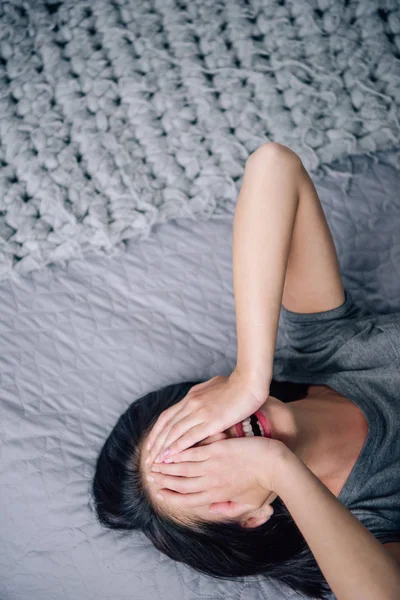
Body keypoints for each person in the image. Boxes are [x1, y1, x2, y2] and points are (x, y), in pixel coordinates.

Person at [92, 142, 400, 600]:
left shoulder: (323, 349)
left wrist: (250, 374)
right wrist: (277, 466)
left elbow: (274, 165)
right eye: (199, 467)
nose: (221, 438)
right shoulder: (363, 528)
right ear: (250, 517)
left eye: (192, 432)